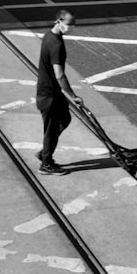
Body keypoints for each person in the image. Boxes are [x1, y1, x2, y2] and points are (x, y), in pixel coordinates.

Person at [35, 9, 84, 175]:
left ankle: (45, 152)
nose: (71, 27)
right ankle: (46, 163)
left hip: (51, 92)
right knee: (51, 130)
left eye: (73, 24)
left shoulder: (50, 35)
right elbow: (60, 75)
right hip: (49, 94)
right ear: (59, 21)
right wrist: (73, 96)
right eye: (69, 24)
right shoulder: (56, 45)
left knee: (65, 118)